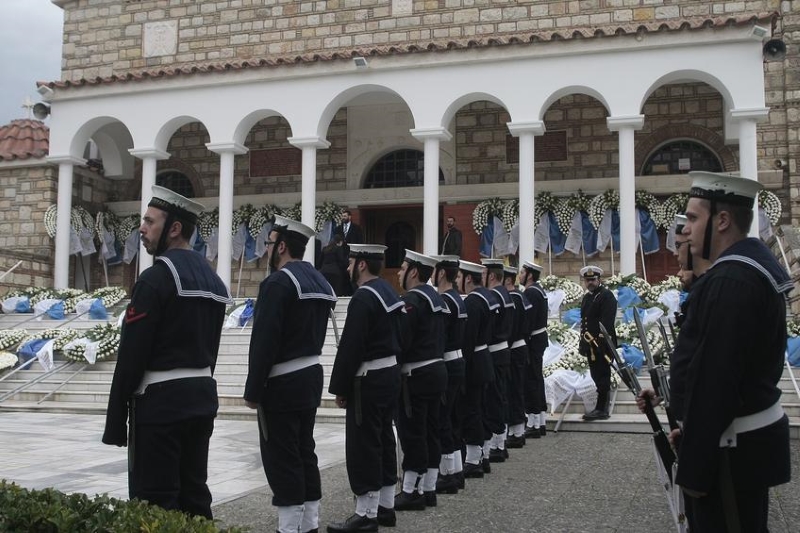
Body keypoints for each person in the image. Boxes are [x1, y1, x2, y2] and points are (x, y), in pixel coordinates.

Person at [102, 185, 232, 519]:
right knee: (195, 494)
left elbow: (133, 354)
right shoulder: (215, 282)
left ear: (174, 229)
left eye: (150, 222)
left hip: (161, 405)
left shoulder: (156, 278)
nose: (142, 229)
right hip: (201, 396)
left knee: (156, 500)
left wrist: (116, 421)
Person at [673, 171, 791, 532]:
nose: (686, 230)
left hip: (729, 451)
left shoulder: (731, 281)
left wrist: (694, 464)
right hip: (735, 442)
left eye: (693, 218)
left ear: (722, 220)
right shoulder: (741, 270)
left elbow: (717, 381)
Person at [244, 215, 337, 533]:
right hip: (310, 376)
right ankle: (309, 521)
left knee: (282, 456)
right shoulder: (319, 280)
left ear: (281, 246)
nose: (267, 250)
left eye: (269, 244)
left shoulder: (278, 282)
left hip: (281, 383)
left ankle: (289, 526)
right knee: (304, 450)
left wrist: (252, 390)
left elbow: (264, 341)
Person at [327, 244, 404, 533]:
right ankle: (385, 507)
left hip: (368, 378)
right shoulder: (389, 291)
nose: (347, 267)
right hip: (389, 374)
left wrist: (340, 387)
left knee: (364, 446)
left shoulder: (363, 297)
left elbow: (351, 347)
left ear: (361, 265)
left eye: (350, 262)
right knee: (384, 440)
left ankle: (365, 514)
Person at [394, 250, 448, 510]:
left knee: (413, 433)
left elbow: (402, 340)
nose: (399, 272)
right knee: (431, 431)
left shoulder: (412, 299)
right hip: (436, 371)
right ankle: (428, 488)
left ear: (414, 272)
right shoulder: (435, 297)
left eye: (403, 268)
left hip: (417, 375)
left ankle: (410, 491)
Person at [457, 259, 497, 478]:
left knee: (471, 410)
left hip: (475, 361)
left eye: (459, 277)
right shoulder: (487, 297)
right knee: (480, 408)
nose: (457, 281)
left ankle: (473, 460)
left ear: (468, 278)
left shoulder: (473, 301)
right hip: (485, 357)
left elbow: (468, 338)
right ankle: (483, 454)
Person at [431, 255, 467, 495]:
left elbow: (438, 336)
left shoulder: (444, 300)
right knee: (452, 419)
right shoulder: (456, 298)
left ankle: (447, 475)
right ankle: (456, 471)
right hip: (457, 360)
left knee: (443, 419)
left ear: (441, 273)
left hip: (448, 361)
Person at [481, 258, 515, 462]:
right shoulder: (505, 294)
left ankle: (496, 444)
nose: (481, 277)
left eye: (484, 274)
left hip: (494, 350)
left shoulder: (493, 295)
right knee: (500, 396)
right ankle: (500, 441)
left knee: (493, 399)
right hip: (503, 349)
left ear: (491, 276)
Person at [577, 265, 617, 421]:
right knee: (595, 375)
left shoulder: (606, 296)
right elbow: (585, 321)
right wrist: (584, 343)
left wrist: (600, 341)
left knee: (603, 375)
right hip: (590, 344)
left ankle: (602, 409)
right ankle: (599, 408)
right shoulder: (588, 297)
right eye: (587, 280)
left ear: (599, 279)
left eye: (593, 280)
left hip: (601, 344)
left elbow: (607, 321)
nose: (590, 283)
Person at [502, 265, 530, 449]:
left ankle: (517, 432)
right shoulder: (521, 297)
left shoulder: (512, 298)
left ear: (508, 280)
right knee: (516, 389)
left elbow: (510, 328)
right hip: (521, 345)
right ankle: (516, 430)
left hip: (514, 347)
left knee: (513, 390)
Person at [520, 261, 548, 438]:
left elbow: (527, 320)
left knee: (531, 380)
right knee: (537, 379)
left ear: (530, 275)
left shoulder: (530, 292)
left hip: (532, 340)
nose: (520, 275)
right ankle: (541, 420)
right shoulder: (538, 290)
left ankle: (533, 423)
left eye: (522, 272)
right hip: (538, 338)